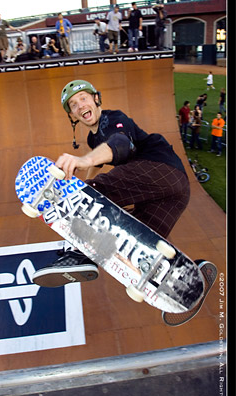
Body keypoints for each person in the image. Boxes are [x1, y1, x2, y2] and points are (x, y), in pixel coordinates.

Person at [32, 79, 190, 286]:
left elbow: (121, 143)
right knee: (137, 244)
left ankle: (77, 253)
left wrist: (84, 177)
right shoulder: (93, 139)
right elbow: (97, 166)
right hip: (176, 193)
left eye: (83, 99)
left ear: (96, 99)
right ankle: (181, 278)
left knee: (88, 198)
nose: (81, 106)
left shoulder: (114, 118)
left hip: (160, 169)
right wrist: (85, 182)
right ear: (72, 115)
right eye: (74, 105)